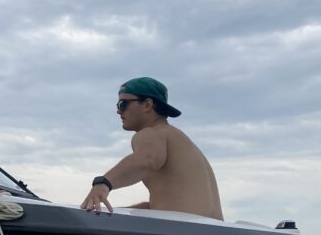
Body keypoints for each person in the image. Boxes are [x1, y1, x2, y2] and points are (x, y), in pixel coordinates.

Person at [80, 77, 223, 220]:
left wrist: (103, 183)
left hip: (182, 233)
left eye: (123, 104)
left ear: (147, 104)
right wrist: (108, 215)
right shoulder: (180, 141)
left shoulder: (152, 133)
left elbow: (147, 159)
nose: (118, 111)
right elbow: (163, 207)